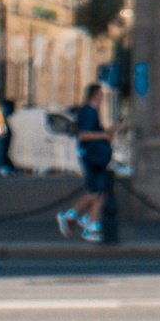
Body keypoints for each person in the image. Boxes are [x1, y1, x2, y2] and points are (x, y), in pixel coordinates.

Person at [57, 84, 111, 241]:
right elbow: (84, 135)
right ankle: (71, 215)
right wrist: (103, 136)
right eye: (100, 94)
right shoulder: (88, 111)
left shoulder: (92, 111)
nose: (102, 97)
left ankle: (92, 224)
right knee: (95, 190)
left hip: (95, 155)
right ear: (94, 94)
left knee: (100, 190)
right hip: (91, 156)